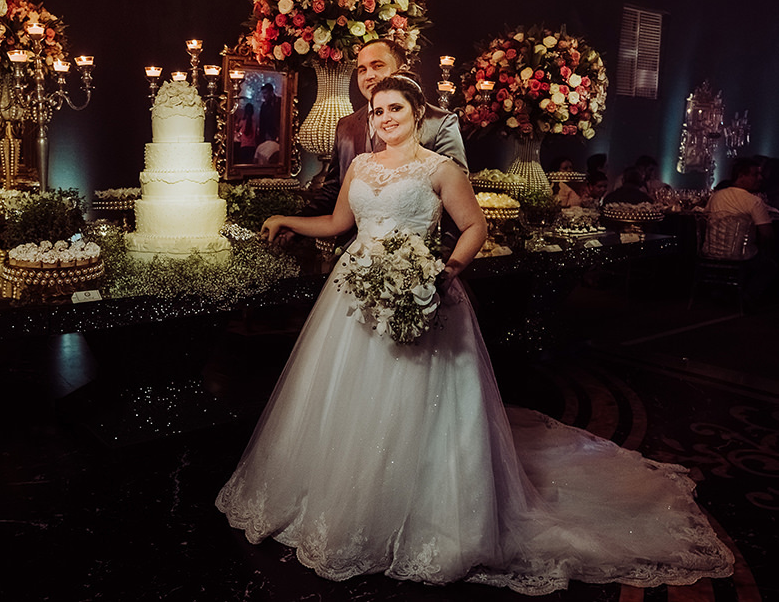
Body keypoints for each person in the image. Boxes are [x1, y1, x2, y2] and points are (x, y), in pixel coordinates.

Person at [216, 74, 732, 594]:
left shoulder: (440, 169)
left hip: (424, 289)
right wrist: (285, 217)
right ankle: (342, 498)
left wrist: (445, 272)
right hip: (354, 294)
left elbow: (474, 227)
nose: (384, 118)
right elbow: (336, 224)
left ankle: (423, 512)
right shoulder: (359, 166)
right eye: (376, 111)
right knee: (345, 396)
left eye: (394, 108)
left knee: (417, 399)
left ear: (418, 114)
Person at [301, 39, 467, 220]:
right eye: (362, 70)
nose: (368, 75)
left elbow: (458, 199)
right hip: (352, 244)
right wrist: (294, 224)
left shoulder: (440, 122)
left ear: (402, 68)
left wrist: (437, 249)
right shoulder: (346, 125)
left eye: (377, 66)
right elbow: (332, 191)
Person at [704, 157, 777, 299]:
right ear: (741, 176)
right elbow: (767, 234)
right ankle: (748, 296)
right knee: (771, 266)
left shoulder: (716, 196)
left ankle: (722, 290)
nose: (760, 178)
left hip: (710, 252)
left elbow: (705, 218)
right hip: (740, 256)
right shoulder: (754, 201)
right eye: (755, 174)